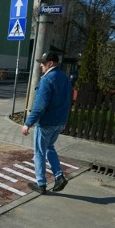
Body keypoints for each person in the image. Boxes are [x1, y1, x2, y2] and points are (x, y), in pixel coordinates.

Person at [21, 51, 72, 194]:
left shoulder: (47, 79)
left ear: (51, 63)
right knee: (50, 147)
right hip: (60, 122)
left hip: (46, 123)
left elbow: (40, 105)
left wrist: (27, 123)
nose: (41, 65)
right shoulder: (65, 78)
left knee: (39, 153)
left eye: (43, 63)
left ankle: (41, 184)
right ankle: (59, 176)